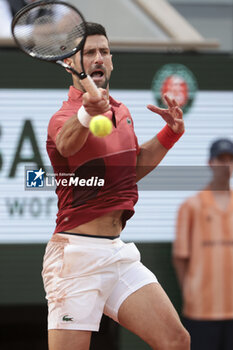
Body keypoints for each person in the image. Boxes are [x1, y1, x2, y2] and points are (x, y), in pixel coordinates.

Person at [42, 22, 190, 350]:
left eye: (104, 52)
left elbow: (131, 170)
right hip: (76, 257)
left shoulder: (121, 113)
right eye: (89, 52)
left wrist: (170, 135)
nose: (98, 58)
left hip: (116, 252)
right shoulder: (62, 117)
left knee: (176, 340)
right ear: (71, 63)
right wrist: (85, 115)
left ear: (111, 61)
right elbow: (66, 143)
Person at [173, 138, 233, 350]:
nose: (226, 165)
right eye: (221, 159)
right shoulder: (191, 206)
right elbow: (180, 257)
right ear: (210, 162)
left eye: (230, 159)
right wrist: (190, 292)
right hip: (201, 310)